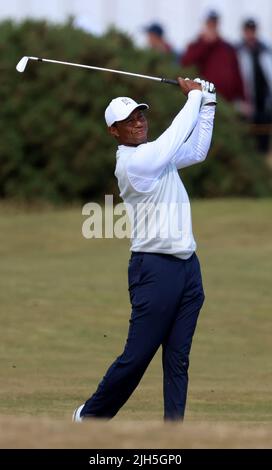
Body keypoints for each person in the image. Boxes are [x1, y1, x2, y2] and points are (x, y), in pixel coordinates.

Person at [73, 77, 216, 422]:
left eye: (140, 116)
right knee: (136, 358)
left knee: (178, 359)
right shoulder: (134, 163)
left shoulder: (156, 157)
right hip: (154, 270)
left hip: (187, 269)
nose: (138, 123)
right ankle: (89, 417)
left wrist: (208, 105)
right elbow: (172, 140)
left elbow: (196, 150)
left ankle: (173, 435)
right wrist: (195, 95)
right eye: (129, 121)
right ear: (114, 131)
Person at [181, 10, 244, 103]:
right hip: (203, 100)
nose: (212, 27)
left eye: (214, 24)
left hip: (227, 101)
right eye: (209, 24)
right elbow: (186, 65)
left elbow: (237, 75)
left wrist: (242, 98)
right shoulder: (196, 45)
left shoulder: (228, 48)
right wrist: (205, 44)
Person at [236, 18, 272, 154]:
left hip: (264, 105)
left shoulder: (265, 50)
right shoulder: (238, 51)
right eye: (248, 30)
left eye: (252, 30)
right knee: (249, 143)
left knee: (263, 142)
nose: (250, 33)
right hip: (247, 104)